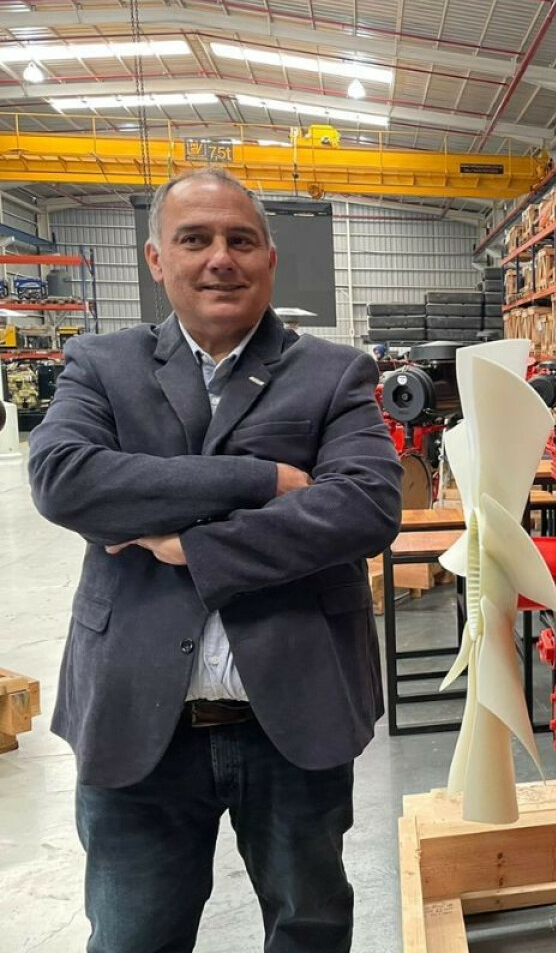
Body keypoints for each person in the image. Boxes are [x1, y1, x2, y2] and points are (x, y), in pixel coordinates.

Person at [29, 167, 403, 953]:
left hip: (293, 718)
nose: (220, 259)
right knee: (132, 937)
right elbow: (66, 479)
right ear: (157, 259)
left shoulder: (333, 373)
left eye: (240, 240)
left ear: (270, 257)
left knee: (309, 930)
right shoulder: (102, 364)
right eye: (194, 239)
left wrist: (193, 546)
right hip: (138, 722)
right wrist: (263, 481)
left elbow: (365, 505)